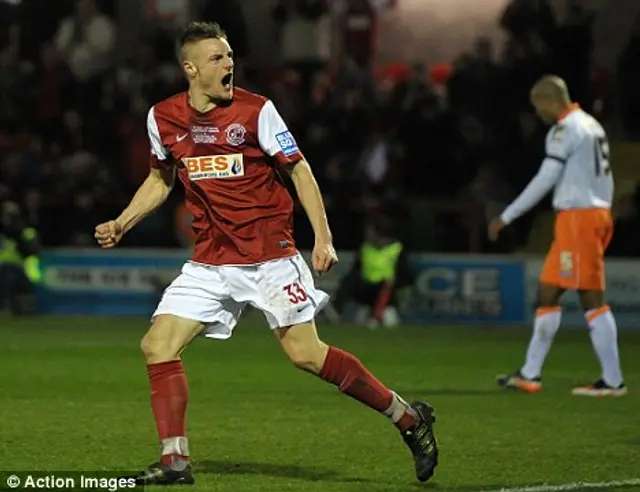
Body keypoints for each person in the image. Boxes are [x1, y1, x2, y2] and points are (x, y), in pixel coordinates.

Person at [94, 22, 438, 486]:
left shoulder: (257, 111)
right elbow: (161, 179)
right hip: (212, 261)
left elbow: (299, 171)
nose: (229, 64)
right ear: (190, 69)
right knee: (157, 346)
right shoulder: (163, 118)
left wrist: (323, 236)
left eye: (230, 55)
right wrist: (122, 221)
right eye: (217, 58)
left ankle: (407, 418)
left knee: (305, 355)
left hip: (269, 254)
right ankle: (175, 459)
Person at [489, 75, 626, 397]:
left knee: (590, 295)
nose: (539, 114)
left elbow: (546, 177)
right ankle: (530, 374)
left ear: (551, 101)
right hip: (587, 216)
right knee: (548, 292)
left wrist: (507, 215)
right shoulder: (591, 124)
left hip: (580, 219)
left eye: (538, 106)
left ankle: (613, 380)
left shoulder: (565, 130)